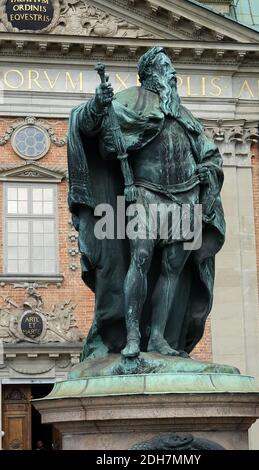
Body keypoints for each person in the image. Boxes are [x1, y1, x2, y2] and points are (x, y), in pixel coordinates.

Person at [67, 47, 225, 361]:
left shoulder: (182, 111)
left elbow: (209, 151)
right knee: (139, 260)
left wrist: (210, 168)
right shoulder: (132, 99)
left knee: (173, 269)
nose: (173, 71)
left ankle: (159, 339)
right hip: (145, 193)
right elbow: (85, 123)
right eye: (166, 66)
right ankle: (133, 335)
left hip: (186, 196)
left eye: (171, 65)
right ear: (150, 71)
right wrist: (98, 103)